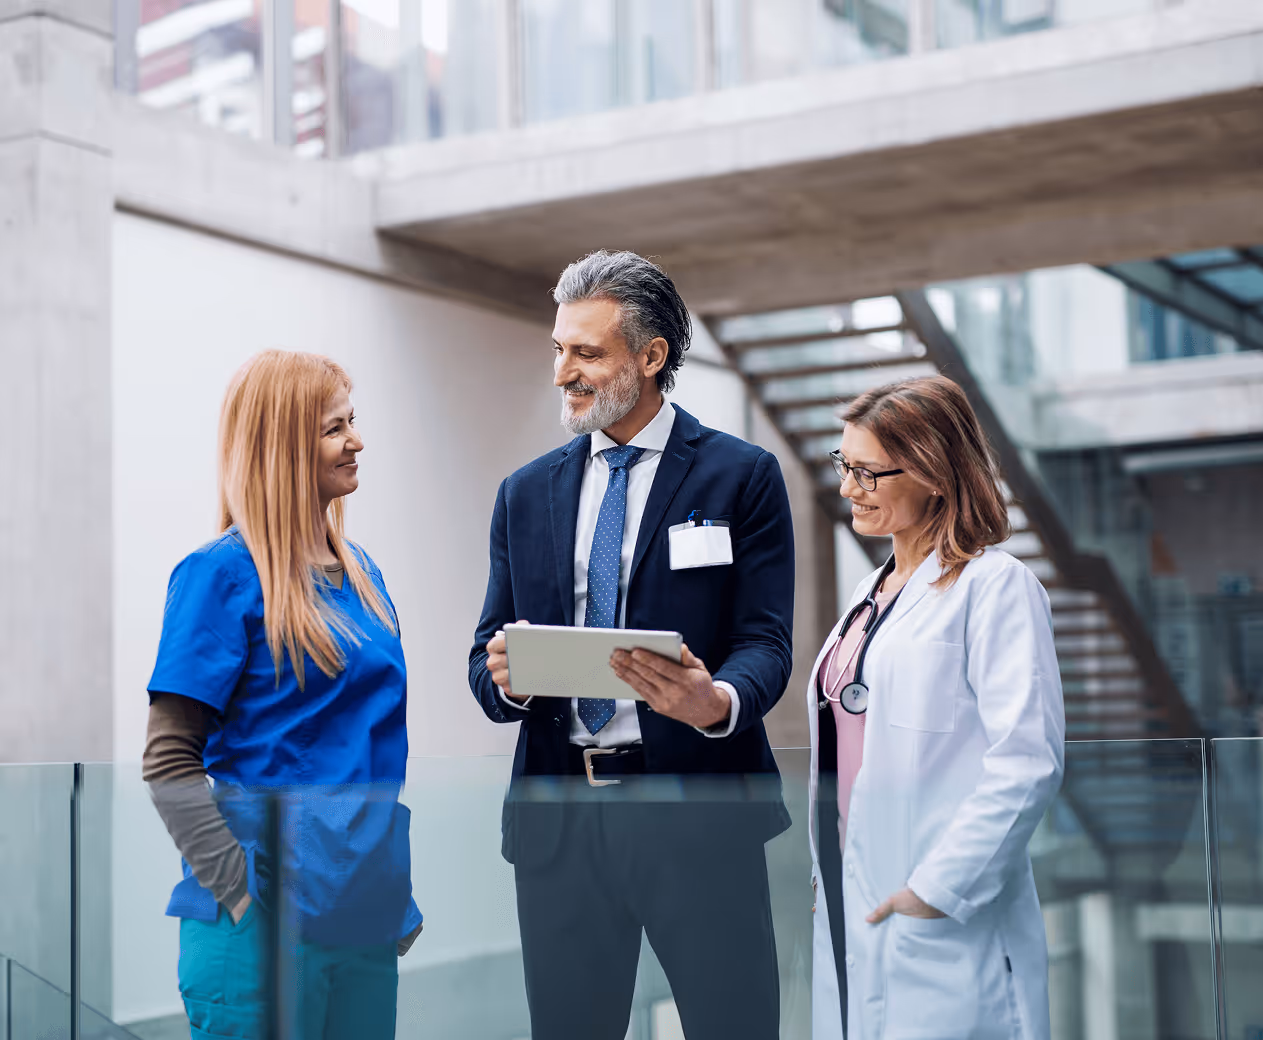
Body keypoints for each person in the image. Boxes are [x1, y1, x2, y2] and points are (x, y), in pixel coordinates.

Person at [468, 250, 795, 1040]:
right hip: (562, 821)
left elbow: (766, 642)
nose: (562, 372)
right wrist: (506, 678)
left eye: (586, 353)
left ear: (651, 359)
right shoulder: (525, 492)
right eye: (558, 349)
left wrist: (717, 701)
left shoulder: (740, 477)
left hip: (698, 810)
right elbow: (486, 655)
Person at [142, 350, 422, 1040]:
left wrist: (389, 889)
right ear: (284, 443)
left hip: (362, 914)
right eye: (335, 428)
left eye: (353, 422)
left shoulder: (364, 577)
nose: (357, 441)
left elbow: (365, 747)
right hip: (261, 926)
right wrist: (238, 892)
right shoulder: (219, 576)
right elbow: (168, 760)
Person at [807, 375, 1065, 1040]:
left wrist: (936, 893)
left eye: (868, 473)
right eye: (845, 466)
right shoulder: (872, 591)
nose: (848, 489)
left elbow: (1027, 763)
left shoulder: (996, 587)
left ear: (933, 473)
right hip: (851, 895)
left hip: (941, 908)